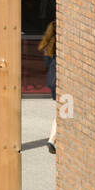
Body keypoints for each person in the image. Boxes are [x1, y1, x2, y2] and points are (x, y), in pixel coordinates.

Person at [40, 20, 57, 154]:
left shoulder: (50, 45)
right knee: (64, 112)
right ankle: (52, 139)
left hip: (53, 81)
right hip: (62, 82)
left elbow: (47, 63)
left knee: (61, 110)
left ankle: (52, 139)